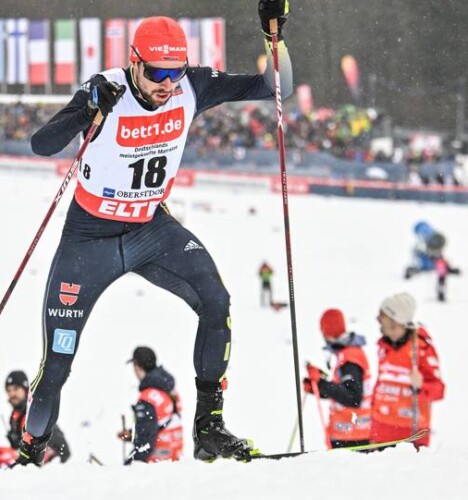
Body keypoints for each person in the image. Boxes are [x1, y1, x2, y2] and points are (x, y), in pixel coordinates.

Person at [15, 2, 293, 466]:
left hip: (150, 228)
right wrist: (85, 109)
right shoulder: (106, 88)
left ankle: (209, 429)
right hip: (89, 239)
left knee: (217, 302)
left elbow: (272, 85)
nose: (167, 85)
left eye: (175, 73)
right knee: (57, 362)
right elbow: (42, 145)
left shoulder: (192, 86)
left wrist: (274, 37)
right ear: (135, 62)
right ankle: (30, 453)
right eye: (158, 73)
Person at [371, 293, 445, 448]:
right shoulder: (383, 347)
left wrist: (421, 385)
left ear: (395, 321)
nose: (379, 324)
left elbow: (438, 391)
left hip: (410, 438)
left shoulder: (422, 349)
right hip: (380, 433)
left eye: (382, 319)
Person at [303, 309, 371, 448]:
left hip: (352, 435)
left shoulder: (350, 358)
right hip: (349, 433)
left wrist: (321, 384)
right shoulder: (347, 353)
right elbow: (342, 391)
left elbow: (352, 398)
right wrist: (317, 388)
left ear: (327, 333)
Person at [118, 347, 183, 463]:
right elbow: (160, 425)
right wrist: (134, 434)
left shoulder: (147, 399)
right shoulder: (169, 389)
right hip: (175, 459)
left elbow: (145, 444)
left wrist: (127, 467)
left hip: (155, 466)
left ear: (137, 366)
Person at [5, 371, 70, 464]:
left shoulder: (34, 412)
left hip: (50, 468)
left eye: (16, 389)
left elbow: (58, 444)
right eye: (9, 390)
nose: (12, 394)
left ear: (25, 389)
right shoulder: (15, 416)